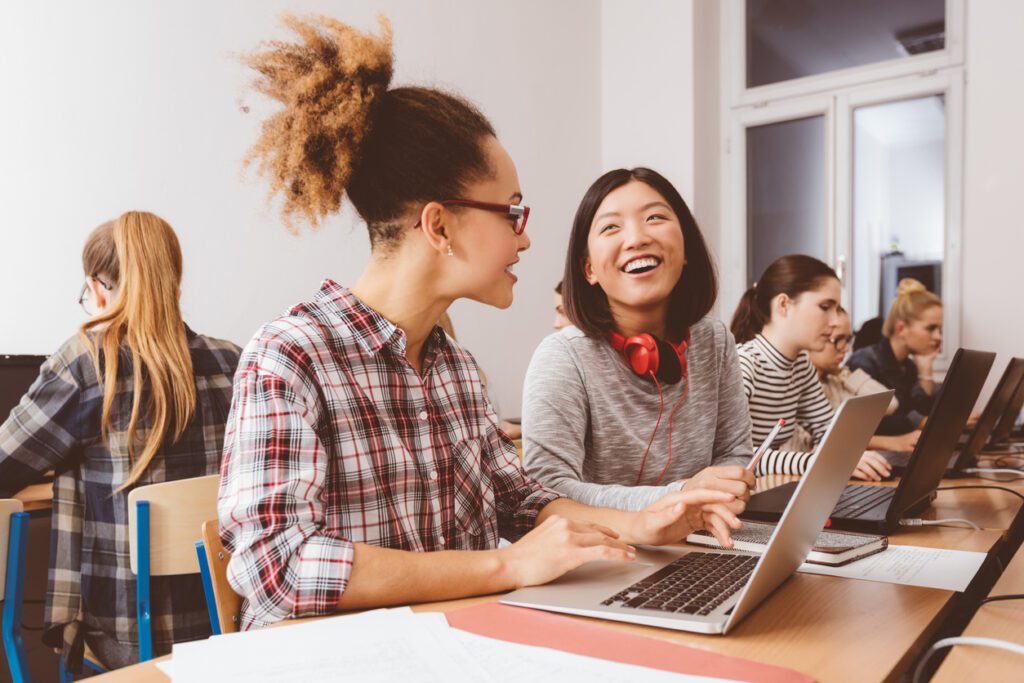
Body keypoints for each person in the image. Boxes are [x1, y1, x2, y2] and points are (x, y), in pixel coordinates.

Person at [218, 15, 742, 632]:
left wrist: (645, 521)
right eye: (512, 212)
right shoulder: (291, 356)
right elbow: (278, 568)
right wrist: (503, 567)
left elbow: (519, 504)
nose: (527, 238)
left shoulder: (456, 369)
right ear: (439, 227)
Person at [0, 212, 240, 671]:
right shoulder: (231, 361)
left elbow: (5, 464)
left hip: (132, 635)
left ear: (97, 289)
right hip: (225, 622)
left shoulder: (88, 363)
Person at [522, 168, 755, 512]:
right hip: (607, 552)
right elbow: (546, 489)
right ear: (589, 270)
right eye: (611, 227)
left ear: (686, 248)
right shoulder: (563, 356)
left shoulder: (714, 340)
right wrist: (681, 495)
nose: (636, 238)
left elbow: (734, 453)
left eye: (655, 217)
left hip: (704, 542)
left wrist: (720, 492)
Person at [730, 254, 891, 481]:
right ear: (784, 305)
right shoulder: (743, 364)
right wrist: (815, 462)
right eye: (825, 307)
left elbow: (828, 432)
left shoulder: (801, 366)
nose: (834, 321)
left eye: (836, 309)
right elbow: (736, 458)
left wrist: (846, 455)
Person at [780, 307, 919, 454]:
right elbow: (821, 444)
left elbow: (890, 404)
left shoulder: (835, 382)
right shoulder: (794, 390)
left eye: (848, 340)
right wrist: (892, 443)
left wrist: (844, 373)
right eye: (838, 340)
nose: (845, 348)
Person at [847, 279, 943, 435]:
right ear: (901, 329)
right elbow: (873, 425)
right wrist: (925, 423)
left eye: (939, 329)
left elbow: (923, 411)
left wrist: (926, 367)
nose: (938, 337)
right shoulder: (864, 361)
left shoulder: (908, 366)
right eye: (931, 328)